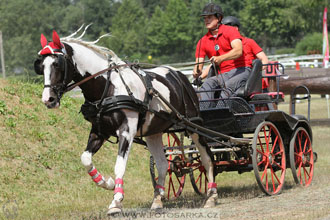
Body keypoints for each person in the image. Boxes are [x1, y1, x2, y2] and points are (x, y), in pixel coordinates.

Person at [193, 3, 251, 101]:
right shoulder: (202, 41)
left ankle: (221, 111)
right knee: (207, 85)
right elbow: (199, 64)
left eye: (209, 17)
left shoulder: (231, 31)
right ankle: (205, 112)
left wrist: (220, 58)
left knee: (228, 86)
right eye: (205, 18)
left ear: (219, 18)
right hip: (222, 75)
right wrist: (196, 72)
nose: (206, 20)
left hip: (242, 70)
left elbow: (238, 51)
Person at [221, 16, 269, 90]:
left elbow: (264, 60)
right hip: (233, 83)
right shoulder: (223, 47)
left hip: (254, 86)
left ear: (235, 29)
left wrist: (253, 74)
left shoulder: (249, 42)